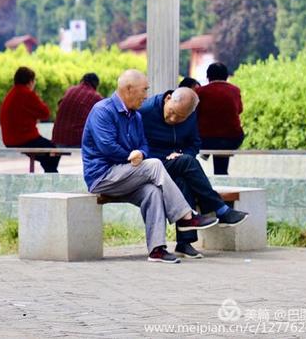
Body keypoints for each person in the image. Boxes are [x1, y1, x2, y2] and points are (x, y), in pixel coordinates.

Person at [82, 69, 218, 264]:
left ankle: (157, 250)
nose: (146, 95)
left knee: (152, 191)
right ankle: (185, 217)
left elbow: (145, 145)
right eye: (144, 90)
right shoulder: (102, 110)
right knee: (154, 165)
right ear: (129, 89)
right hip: (103, 177)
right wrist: (132, 156)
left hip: (127, 175)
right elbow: (107, 147)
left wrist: (142, 154)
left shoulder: (136, 116)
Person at [139, 87, 249, 258]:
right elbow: (137, 144)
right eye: (172, 113)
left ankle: (184, 243)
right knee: (187, 163)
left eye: (180, 118)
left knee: (183, 179)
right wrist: (164, 157)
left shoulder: (190, 117)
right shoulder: (145, 112)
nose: (173, 119)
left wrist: (182, 155)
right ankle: (219, 208)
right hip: (151, 165)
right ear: (168, 99)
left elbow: (194, 143)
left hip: (175, 164)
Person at [0, 66, 59, 172]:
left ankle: (50, 175)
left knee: (47, 154)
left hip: (8, 139)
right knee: (54, 151)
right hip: (24, 138)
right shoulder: (27, 94)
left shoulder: (11, 94)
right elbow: (45, 113)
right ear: (30, 81)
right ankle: (51, 177)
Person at [197, 62, 244, 175]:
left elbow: (194, 113)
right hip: (231, 138)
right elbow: (239, 110)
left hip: (206, 139)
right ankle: (222, 179)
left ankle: (206, 154)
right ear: (226, 76)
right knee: (221, 165)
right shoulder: (235, 90)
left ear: (208, 77)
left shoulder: (200, 92)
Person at [52, 73, 103, 147]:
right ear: (96, 85)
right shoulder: (95, 96)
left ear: (82, 80)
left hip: (58, 138)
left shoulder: (70, 90)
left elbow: (59, 105)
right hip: (76, 140)